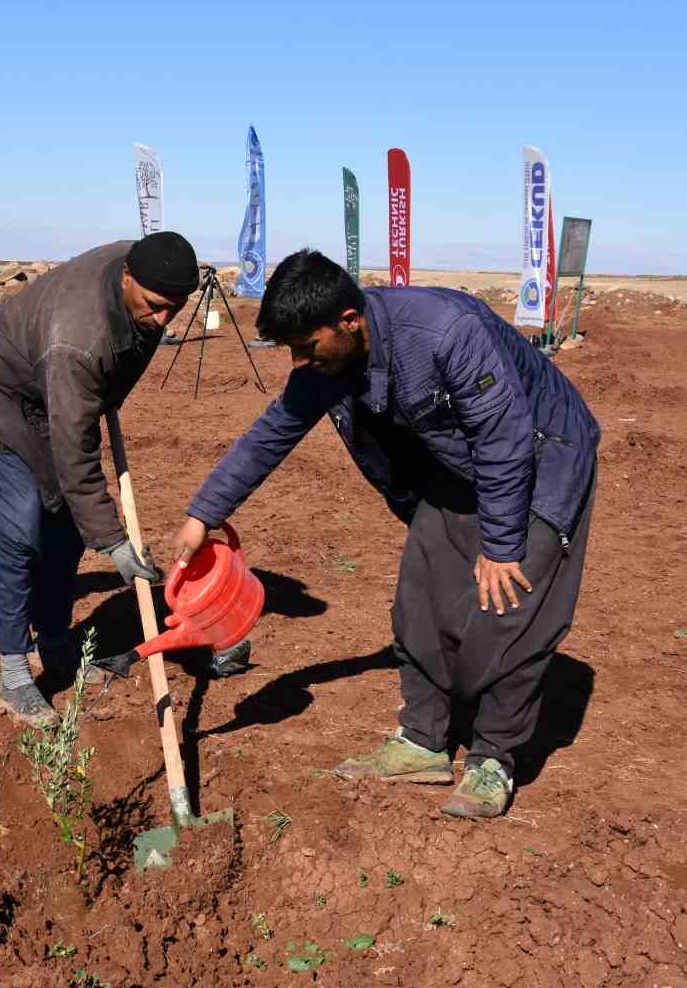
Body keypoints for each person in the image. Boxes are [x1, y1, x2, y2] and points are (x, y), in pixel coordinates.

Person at [174, 250, 599, 818]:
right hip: (458, 469)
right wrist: (204, 514)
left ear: (350, 320)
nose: (300, 360)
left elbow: (505, 438)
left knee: (508, 613)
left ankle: (493, 758)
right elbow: (272, 433)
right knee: (419, 602)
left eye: (306, 345)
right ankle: (423, 742)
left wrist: (500, 547)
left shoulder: (447, 333)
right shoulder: (332, 361)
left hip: (543, 459)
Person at [0, 233, 200, 727]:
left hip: (54, 384)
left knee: (64, 527)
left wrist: (105, 394)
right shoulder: (80, 340)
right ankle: (13, 674)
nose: (164, 319)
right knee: (17, 528)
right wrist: (113, 541)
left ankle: (55, 641)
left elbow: (102, 390)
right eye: (156, 307)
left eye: (176, 308)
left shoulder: (150, 283)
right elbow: (76, 451)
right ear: (127, 278)